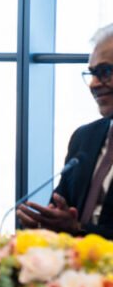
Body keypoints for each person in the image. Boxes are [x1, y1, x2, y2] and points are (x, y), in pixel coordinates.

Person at [17, 23, 113, 237]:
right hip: (70, 256)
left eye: (105, 72)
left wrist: (78, 230)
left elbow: (73, 226)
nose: (93, 84)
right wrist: (42, 222)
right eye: (92, 73)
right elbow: (61, 210)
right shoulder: (84, 138)